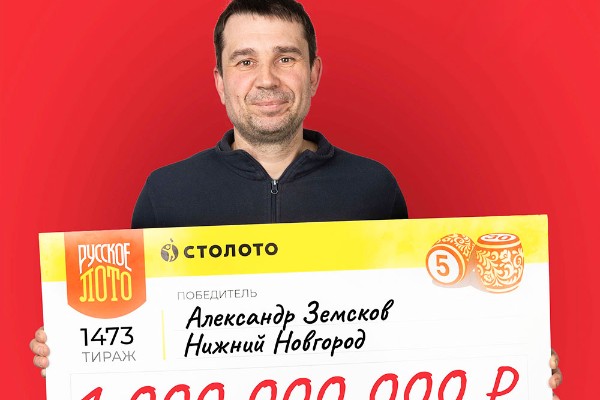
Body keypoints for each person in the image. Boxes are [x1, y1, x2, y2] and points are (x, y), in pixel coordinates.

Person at [29, 0, 562, 397]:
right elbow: (134, 335)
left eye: (286, 58)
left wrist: (514, 356)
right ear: (219, 81)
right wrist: (76, 346)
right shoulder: (165, 193)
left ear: (314, 73)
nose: (267, 79)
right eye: (244, 61)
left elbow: (413, 330)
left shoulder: (373, 187)